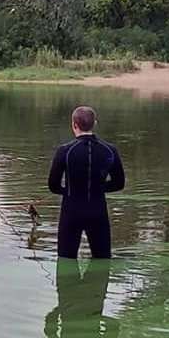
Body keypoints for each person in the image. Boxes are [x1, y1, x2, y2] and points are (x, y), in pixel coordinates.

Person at [47, 106, 124, 259]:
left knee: (66, 260)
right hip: (98, 211)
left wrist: (70, 190)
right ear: (94, 123)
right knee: (102, 259)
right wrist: (98, 188)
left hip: (71, 211)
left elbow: (53, 185)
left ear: (74, 124)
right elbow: (119, 183)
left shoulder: (65, 151)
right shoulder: (110, 150)